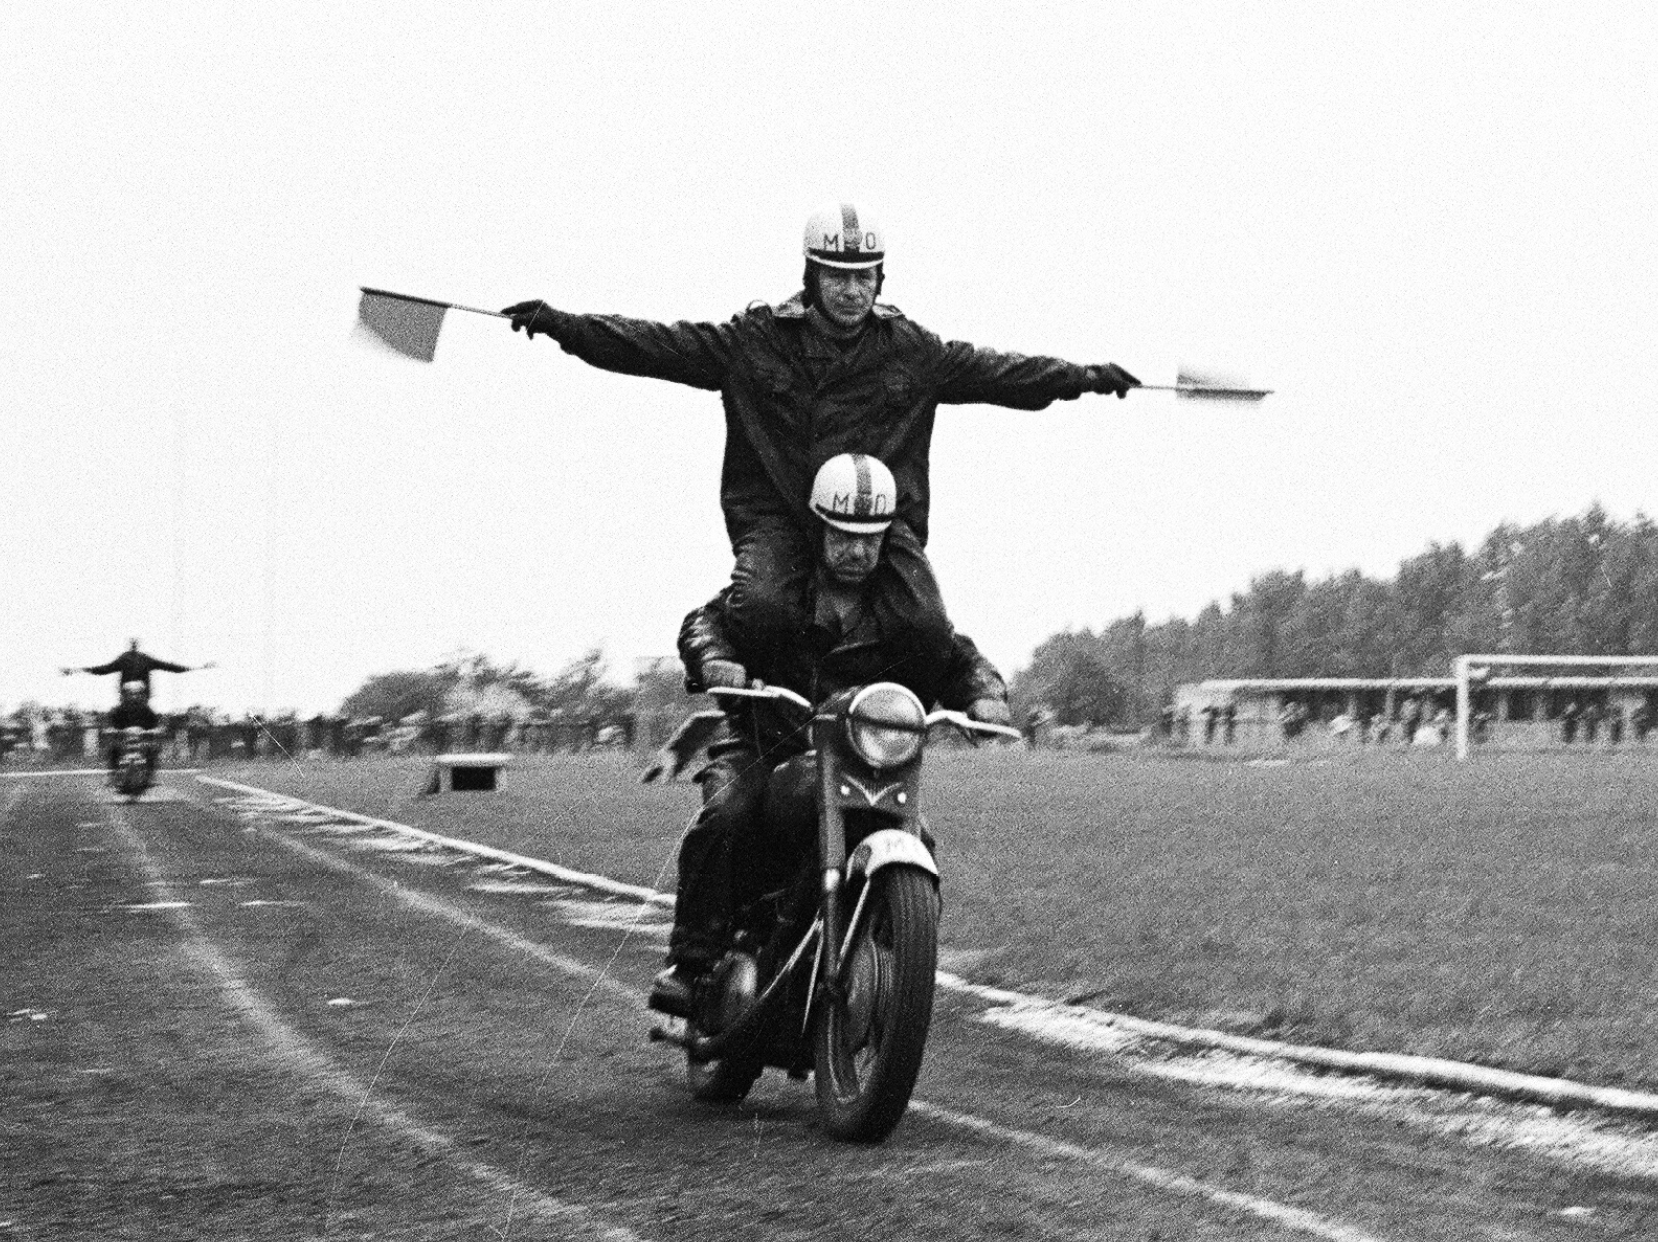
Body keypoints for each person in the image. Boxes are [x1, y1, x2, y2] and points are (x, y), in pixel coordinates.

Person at [502, 202, 1139, 689]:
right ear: (812, 275)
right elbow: (656, 345)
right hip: (779, 515)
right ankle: (732, 676)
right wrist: (566, 326)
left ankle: (907, 711)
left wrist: (1080, 377)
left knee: (925, 627)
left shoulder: (915, 353)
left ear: (881, 279)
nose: (852, 290)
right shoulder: (754, 342)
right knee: (765, 609)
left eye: (865, 277)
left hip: (878, 525)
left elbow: (1002, 372)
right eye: (837, 275)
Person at [650, 453, 1011, 1015]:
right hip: (768, 744)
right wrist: (716, 658)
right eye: (843, 534)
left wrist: (984, 693)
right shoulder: (777, 595)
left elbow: (952, 654)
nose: (857, 550)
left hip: (854, 762)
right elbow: (707, 622)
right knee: (726, 815)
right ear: (817, 526)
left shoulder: (903, 608)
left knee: (924, 846)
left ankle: (888, 973)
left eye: (870, 537)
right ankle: (691, 963)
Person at [63, 639, 212, 695]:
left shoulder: (124, 658)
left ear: (131, 646)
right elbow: (170, 667)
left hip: (129, 694)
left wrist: (77, 670)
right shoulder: (145, 658)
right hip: (142, 694)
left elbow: (102, 670)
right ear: (137, 646)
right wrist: (196, 668)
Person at [105, 681, 161, 781]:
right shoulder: (118, 710)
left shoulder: (147, 711)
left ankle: (150, 774)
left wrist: (153, 731)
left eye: (137, 693)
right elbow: (109, 727)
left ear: (142, 694)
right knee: (112, 748)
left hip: (143, 742)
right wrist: (112, 731)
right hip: (123, 742)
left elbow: (158, 727)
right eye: (130, 693)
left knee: (152, 748)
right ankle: (113, 773)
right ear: (124, 694)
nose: (133, 696)